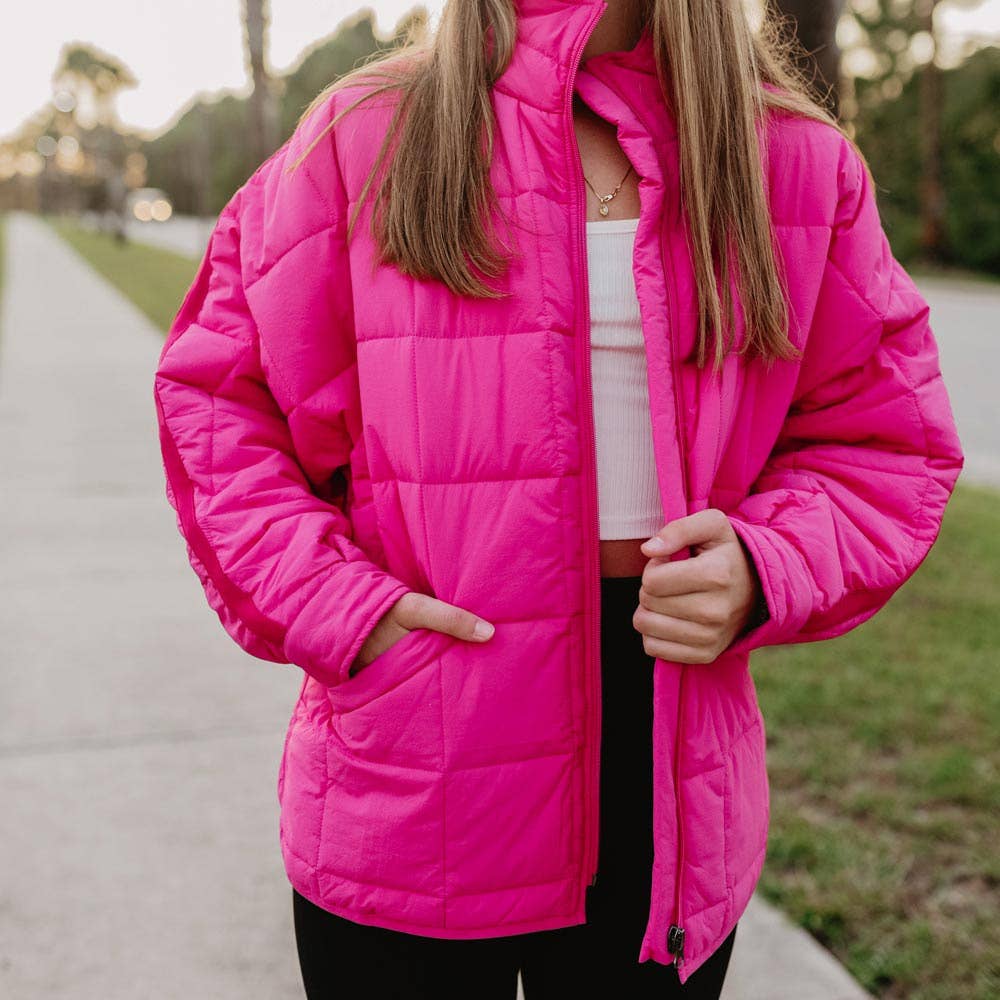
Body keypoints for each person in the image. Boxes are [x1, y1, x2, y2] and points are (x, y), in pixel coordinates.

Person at [152, 0, 964, 997]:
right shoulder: (366, 132)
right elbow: (222, 401)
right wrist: (343, 610)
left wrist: (766, 564)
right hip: (419, 737)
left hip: (664, 747)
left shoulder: (788, 156)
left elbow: (882, 442)